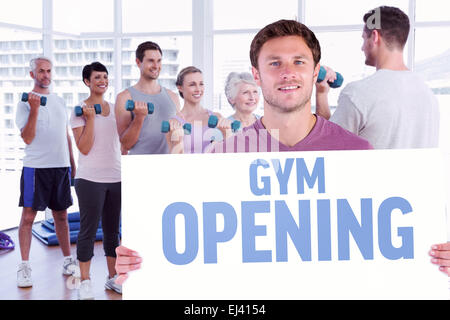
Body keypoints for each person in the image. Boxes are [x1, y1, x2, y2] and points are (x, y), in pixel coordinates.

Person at [114, 19, 449, 283]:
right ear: (257, 76)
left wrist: (435, 257)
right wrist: (147, 260)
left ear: (315, 72)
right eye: (275, 63)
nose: (288, 72)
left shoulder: (358, 154)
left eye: (298, 61)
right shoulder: (222, 160)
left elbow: (391, 249)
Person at [315, 6, 440, 149]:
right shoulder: (428, 95)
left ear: (374, 36)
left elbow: (326, 146)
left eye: (364, 39)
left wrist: (321, 95)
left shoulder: (358, 93)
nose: (362, 48)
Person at [15, 56, 77, 288]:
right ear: (32, 74)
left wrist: (72, 164)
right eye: (41, 71)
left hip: (59, 167)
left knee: (61, 215)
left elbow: (66, 134)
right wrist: (33, 109)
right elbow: (27, 137)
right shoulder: (24, 102)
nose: (46, 75)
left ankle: (68, 260)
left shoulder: (60, 101)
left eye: (49, 71)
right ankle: (24, 266)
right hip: (35, 167)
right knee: (28, 217)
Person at [70, 62, 122, 300]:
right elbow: (84, 147)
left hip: (116, 177)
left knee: (113, 232)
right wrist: (90, 119)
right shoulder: (79, 110)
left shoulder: (115, 109)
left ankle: (113, 278)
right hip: (89, 179)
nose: (102, 80)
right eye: (97, 77)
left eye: (105, 76)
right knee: (88, 231)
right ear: (87, 82)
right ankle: (86, 281)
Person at [115, 41, 181, 155]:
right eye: (151, 61)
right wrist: (139, 117)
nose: (156, 66)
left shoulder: (173, 97)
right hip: (140, 167)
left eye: (159, 61)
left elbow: (178, 138)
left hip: (169, 167)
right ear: (138, 62)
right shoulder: (124, 98)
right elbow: (125, 144)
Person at [165, 66, 233, 154]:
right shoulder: (173, 123)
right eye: (192, 85)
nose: (198, 89)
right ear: (180, 87)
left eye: (201, 84)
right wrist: (178, 142)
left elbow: (230, 156)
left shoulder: (217, 117)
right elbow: (174, 164)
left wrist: (227, 134)